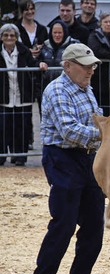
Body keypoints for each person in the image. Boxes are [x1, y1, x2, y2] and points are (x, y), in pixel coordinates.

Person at [26, 43, 104, 274]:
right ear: (68, 66)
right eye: (85, 65)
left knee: (94, 223)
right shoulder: (58, 89)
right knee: (64, 221)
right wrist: (108, 134)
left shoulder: (85, 89)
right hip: (62, 158)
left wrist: (103, 132)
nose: (90, 70)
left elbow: (95, 119)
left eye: (92, 65)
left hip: (86, 158)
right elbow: (69, 130)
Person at [0, 23, 45, 166]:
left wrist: (40, 65)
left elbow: (34, 63)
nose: (9, 38)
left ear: (17, 37)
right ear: (1, 37)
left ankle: (20, 157)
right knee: (3, 128)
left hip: (22, 95)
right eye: (6, 35)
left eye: (12, 35)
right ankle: (2, 156)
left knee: (22, 128)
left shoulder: (23, 50)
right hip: (3, 96)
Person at [38, 20, 78, 88]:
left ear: (64, 33)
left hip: (68, 85)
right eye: (55, 32)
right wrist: (39, 63)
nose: (57, 35)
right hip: (48, 85)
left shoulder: (74, 45)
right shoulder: (45, 46)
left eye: (60, 33)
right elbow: (38, 60)